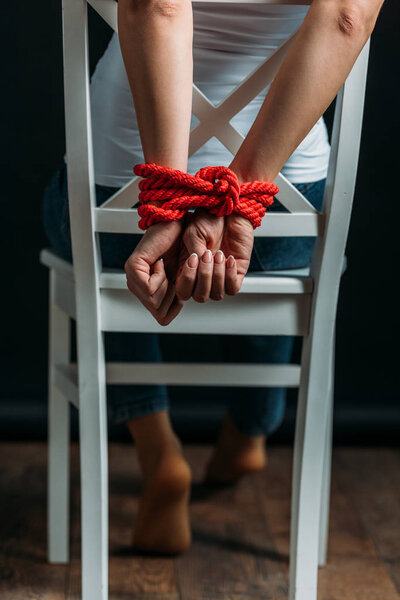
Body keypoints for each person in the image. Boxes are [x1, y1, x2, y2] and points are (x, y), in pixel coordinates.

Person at [42, 0, 383, 555]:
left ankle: (160, 455)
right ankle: (253, 425)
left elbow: (156, 6)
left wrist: (169, 207)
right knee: (279, 256)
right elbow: (346, 18)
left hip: (124, 190)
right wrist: (240, 202)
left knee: (100, 246)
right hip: (285, 206)